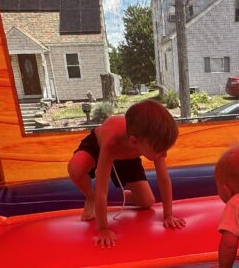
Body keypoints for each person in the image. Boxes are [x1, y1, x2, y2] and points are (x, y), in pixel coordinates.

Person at [67, 99, 186, 247]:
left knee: (147, 202)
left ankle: (129, 196)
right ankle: (89, 198)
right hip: (100, 146)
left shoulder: (154, 142)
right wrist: (103, 229)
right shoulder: (112, 143)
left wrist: (168, 215)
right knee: (76, 168)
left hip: (128, 154)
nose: (165, 155)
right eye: (161, 151)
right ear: (135, 142)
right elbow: (102, 190)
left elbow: (163, 179)